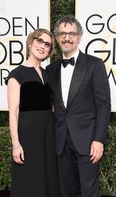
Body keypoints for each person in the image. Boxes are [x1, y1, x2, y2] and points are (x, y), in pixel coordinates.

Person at [46, 15, 111, 197]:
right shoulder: (51, 69)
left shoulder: (94, 64)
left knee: (89, 191)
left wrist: (99, 140)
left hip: (88, 140)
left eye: (71, 33)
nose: (67, 37)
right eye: (62, 33)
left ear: (79, 37)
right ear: (57, 38)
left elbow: (103, 105)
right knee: (65, 191)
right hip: (60, 140)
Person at [6, 29, 59, 197]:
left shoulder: (48, 74)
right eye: (39, 41)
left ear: (50, 51)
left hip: (48, 134)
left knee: (48, 177)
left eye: (48, 44)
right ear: (30, 43)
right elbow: (13, 112)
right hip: (28, 136)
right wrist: (16, 144)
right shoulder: (17, 74)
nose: (43, 46)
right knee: (30, 180)